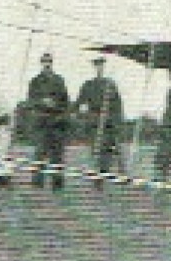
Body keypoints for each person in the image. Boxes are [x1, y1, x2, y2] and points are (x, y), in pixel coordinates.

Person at [75, 56, 126, 188]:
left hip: (109, 123)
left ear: (104, 67)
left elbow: (118, 104)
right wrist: (81, 115)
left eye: (101, 66)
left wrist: (116, 121)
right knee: (96, 151)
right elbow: (79, 103)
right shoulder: (88, 85)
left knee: (110, 151)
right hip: (94, 123)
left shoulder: (110, 84)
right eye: (97, 66)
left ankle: (116, 174)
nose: (99, 68)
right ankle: (99, 178)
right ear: (94, 67)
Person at [26, 53, 71, 189]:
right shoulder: (35, 81)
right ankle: (37, 182)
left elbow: (66, 101)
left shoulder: (59, 80)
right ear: (41, 63)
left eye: (49, 62)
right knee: (40, 152)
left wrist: (58, 109)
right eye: (44, 62)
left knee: (57, 154)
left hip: (57, 121)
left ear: (52, 63)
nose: (47, 64)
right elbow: (30, 101)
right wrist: (42, 101)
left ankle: (57, 183)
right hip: (41, 121)